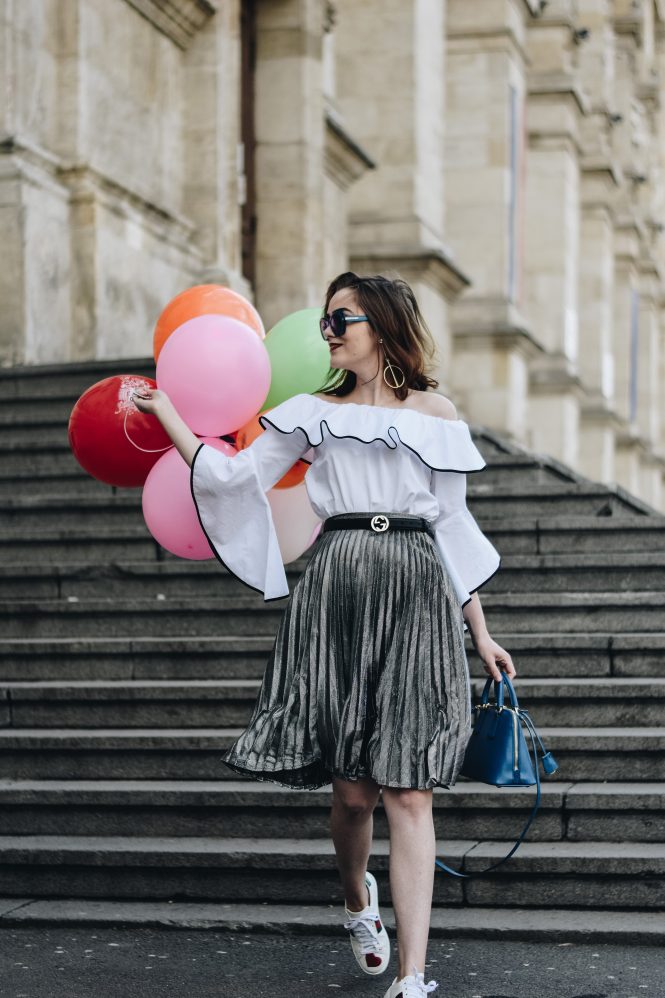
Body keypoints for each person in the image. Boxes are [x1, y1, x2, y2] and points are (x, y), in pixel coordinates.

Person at [133, 271, 516, 998]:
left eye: (343, 319)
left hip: (413, 588)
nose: (329, 332)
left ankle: (412, 975)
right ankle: (355, 900)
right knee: (351, 794)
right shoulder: (309, 412)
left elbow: (452, 526)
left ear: (382, 325)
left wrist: (481, 632)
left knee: (408, 791)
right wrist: (169, 415)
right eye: (327, 321)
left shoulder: (436, 412)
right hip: (339, 583)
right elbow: (233, 479)